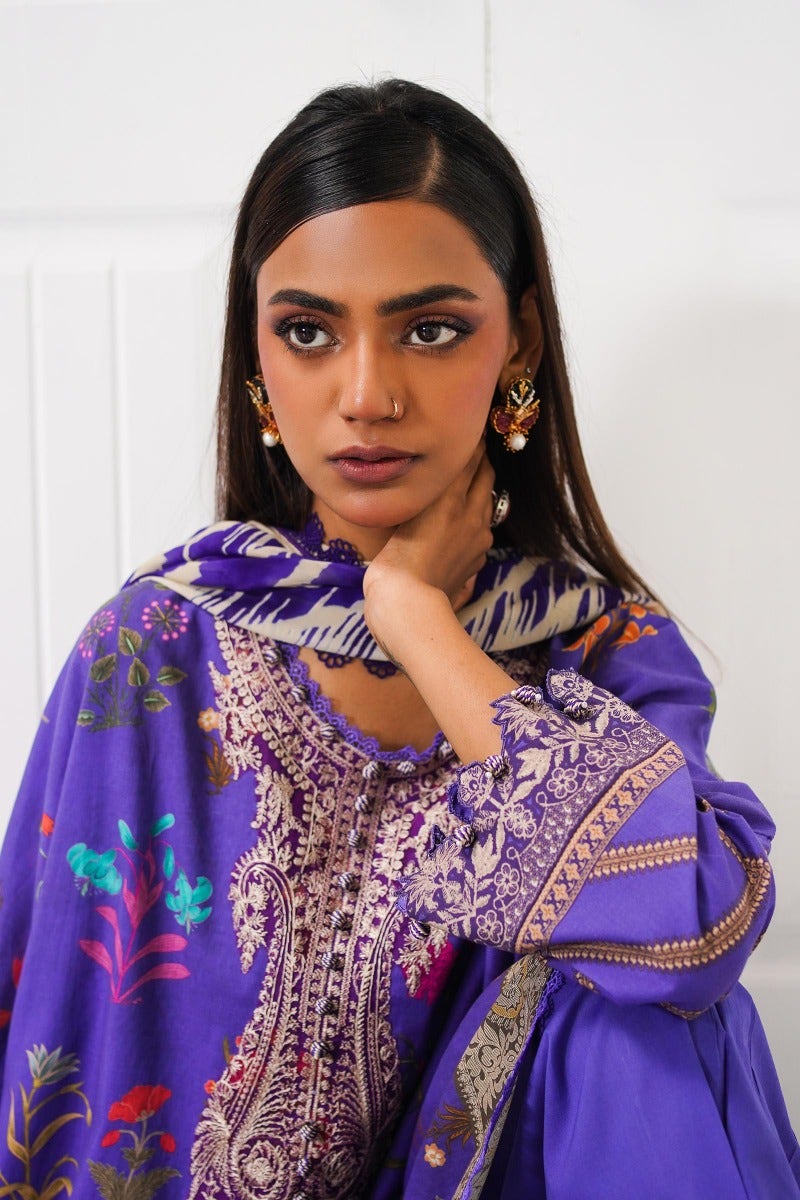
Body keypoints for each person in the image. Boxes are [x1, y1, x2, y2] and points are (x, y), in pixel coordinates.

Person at [0, 77, 797, 1200]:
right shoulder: (154, 651)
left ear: (517, 341)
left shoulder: (596, 648)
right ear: (258, 363)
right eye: (308, 332)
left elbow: (695, 929)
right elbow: (50, 1030)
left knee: (637, 1014)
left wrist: (421, 622)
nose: (367, 395)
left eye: (430, 329)